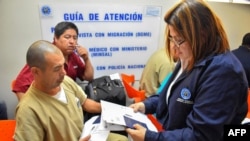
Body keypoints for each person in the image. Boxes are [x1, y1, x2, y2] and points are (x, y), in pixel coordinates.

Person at [126, 0, 248, 141]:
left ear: (201, 36)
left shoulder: (223, 72)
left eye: (179, 40)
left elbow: (201, 135)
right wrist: (145, 105)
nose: (174, 47)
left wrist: (151, 138)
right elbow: (169, 94)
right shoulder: (191, 57)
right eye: (172, 38)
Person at [14, 40, 128, 141]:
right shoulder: (28, 110)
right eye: (57, 69)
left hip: (85, 135)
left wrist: (120, 111)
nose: (64, 72)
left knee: (121, 139)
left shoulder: (65, 81)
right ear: (36, 72)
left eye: (63, 66)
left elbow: (86, 103)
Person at [12, 21, 94, 101]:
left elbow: (88, 77)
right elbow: (19, 87)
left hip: (68, 99)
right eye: (67, 37)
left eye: (75, 38)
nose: (72, 41)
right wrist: (34, 111)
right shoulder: (45, 55)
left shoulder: (72, 55)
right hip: (49, 101)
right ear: (56, 38)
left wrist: (86, 59)